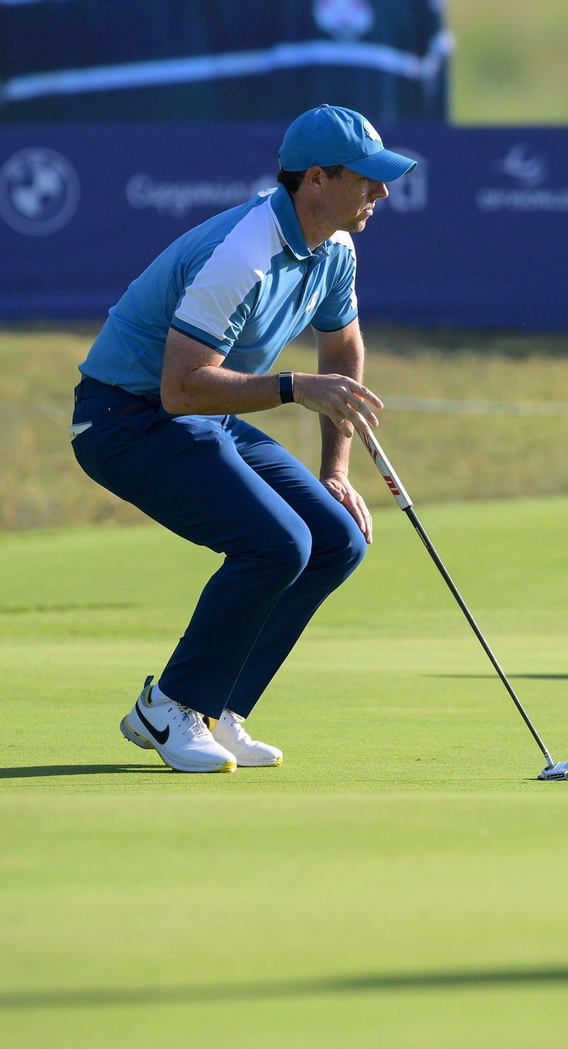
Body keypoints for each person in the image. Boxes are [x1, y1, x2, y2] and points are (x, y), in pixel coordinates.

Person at [70, 105, 414, 772]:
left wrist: (335, 472)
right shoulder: (242, 253)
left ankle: (216, 706)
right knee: (276, 543)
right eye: (366, 177)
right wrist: (294, 386)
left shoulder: (334, 248)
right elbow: (180, 387)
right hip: (121, 417)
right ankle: (169, 706)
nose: (382, 191)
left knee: (337, 540)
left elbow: (342, 353)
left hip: (196, 414)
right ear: (317, 179)